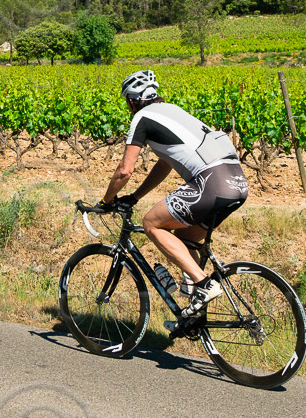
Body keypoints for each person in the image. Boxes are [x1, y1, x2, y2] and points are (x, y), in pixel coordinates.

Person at [95, 69, 249, 317]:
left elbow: (124, 171)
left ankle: (203, 283)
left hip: (210, 182)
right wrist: (135, 197)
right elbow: (165, 164)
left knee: (151, 223)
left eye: (127, 103)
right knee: (185, 240)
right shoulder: (173, 111)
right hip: (236, 184)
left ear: (132, 101)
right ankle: (193, 314)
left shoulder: (142, 118)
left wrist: (106, 200)